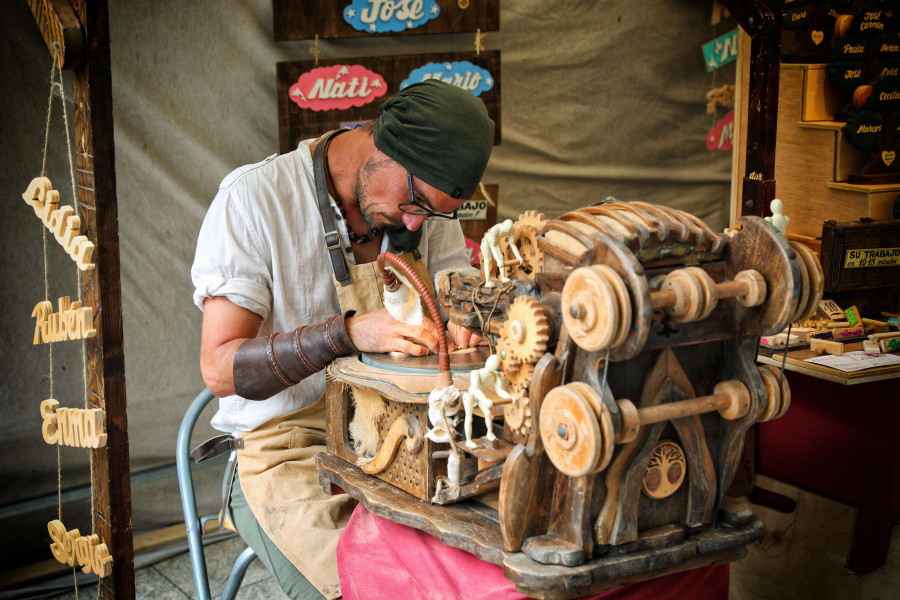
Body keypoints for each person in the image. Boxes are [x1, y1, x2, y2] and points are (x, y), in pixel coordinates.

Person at [191, 79, 494, 600]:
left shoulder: (424, 210)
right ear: (382, 144)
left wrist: (469, 322)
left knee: (476, 572)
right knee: (369, 590)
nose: (415, 221)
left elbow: (455, 304)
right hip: (285, 450)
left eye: (433, 212)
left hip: (404, 432)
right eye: (414, 200)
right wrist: (348, 332)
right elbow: (219, 369)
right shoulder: (255, 201)